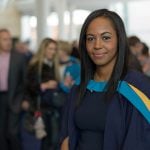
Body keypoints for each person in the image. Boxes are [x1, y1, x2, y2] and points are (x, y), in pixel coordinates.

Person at [59, 9, 150, 150]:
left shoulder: (138, 87)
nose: (97, 45)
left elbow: (140, 141)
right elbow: (67, 136)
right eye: (90, 38)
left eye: (106, 37)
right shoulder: (79, 86)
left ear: (120, 40)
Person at [22, 38, 64, 150]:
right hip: (41, 108)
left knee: (54, 139)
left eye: (55, 49)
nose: (53, 51)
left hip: (53, 107)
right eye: (50, 48)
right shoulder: (35, 66)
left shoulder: (54, 65)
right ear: (43, 49)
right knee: (46, 140)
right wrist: (44, 85)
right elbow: (28, 86)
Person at [0, 28, 26, 150]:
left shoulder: (19, 57)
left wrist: (24, 100)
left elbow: (25, 81)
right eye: (5, 39)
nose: (8, 42)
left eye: (9, 39)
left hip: (14, 99)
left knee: (12, 133)